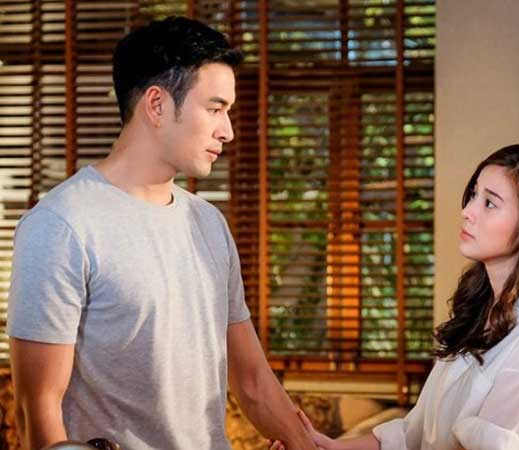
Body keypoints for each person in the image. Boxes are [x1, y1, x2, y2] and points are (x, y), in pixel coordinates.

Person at [8, 16, 317, 450]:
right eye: (215, 109)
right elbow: (37, 408)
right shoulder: (61, 225)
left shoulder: (209, 224)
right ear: (156, 105)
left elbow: (252, 381)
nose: (228, 131)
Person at [270, 144, 519, 450]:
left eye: (489, 203)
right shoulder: (483, 309)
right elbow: (415, 432)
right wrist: (330, 447)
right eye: (474, 195)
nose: (467, 211)